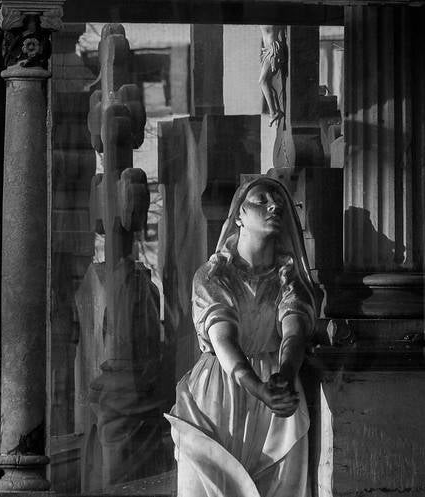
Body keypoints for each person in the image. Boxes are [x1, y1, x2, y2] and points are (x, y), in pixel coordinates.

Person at [165, 176, 317, 497]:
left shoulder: (289, 280)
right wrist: (258, 387)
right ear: (239, 216)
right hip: (221, 391)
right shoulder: (212, 276)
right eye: (261, 201)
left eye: (279, 202)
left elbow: (294, 334)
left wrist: (284, 377)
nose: (273, 206)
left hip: (276, 400)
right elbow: (224, 340)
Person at [258, 26, 287, 127]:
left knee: (263, 81)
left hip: (273, 50)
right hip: (266, 51)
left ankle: (273, 112)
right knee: (267, 83)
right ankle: (276, 110)